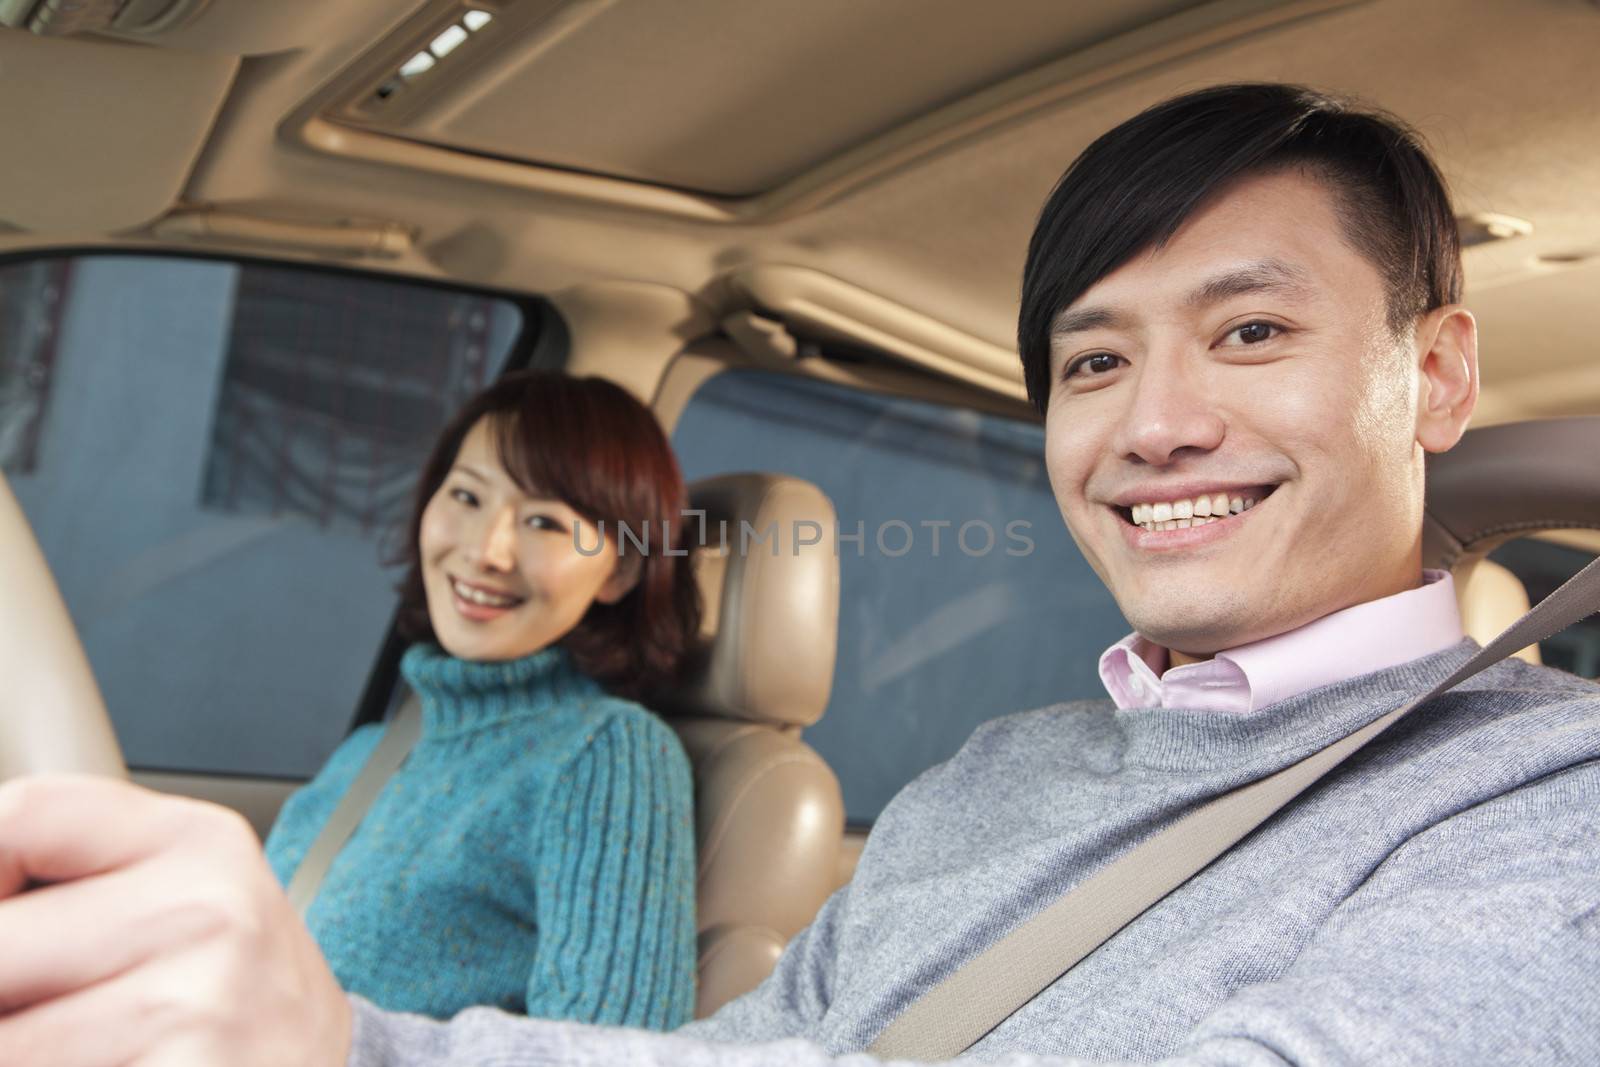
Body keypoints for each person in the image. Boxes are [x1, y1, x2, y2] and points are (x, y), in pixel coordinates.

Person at [1, 83, 1597, 1067]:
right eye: (1094, 360)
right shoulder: (999, 775)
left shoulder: (1551, 810)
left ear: (1438, 375)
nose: (1158, 423)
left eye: (1252, 330)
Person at [262, 370, 701, 1025]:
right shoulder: (370, 752)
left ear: (621, 570)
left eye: (545, 522)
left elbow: (610, 1053)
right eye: (467, 495)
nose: (485, 549)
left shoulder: (606, 754)